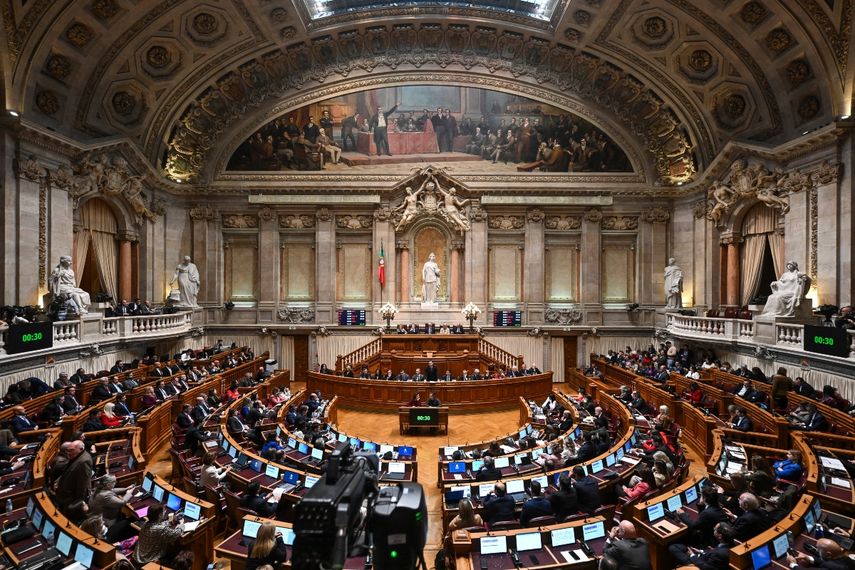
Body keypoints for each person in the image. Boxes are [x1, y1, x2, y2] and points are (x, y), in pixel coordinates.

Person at [668, 522, 736, 570]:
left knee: (672, 547)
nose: (713, 529)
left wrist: (692, 555)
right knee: (681, 546)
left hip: (698, 564)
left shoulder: (720, 554)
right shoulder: (731, 544)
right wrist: (701, 551)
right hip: (703, 557)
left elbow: (706, 568)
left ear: (720, 536)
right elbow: (715, 553)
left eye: (715, 529)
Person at [88, 474, 134, 542]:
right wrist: (128, 493)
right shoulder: (105, 496)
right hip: (106, 521)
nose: (116, 483)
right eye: (114, 481)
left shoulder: (98, 488)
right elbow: (122, 503)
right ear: (108, 485)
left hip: (98, 516)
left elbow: (112, 490)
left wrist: (126, 489)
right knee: (129, 520)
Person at [54, 440, 93, 516]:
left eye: (71, 450)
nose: (68, 453)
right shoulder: (77, 456)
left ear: (81, 449)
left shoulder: (84, 462)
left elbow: (82, 485)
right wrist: (59, 480)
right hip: (65, 495)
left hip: (70, 499)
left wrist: (77, 503)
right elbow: (68, 469)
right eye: (67, 450)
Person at [786, 537, 855, 569]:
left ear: (828, 554)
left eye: (818, 550)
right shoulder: (846, 559)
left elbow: (829, 565)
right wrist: (810, 559)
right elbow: (828, 562)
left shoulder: (829, 567)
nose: (816, 550)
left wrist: (793, 564)